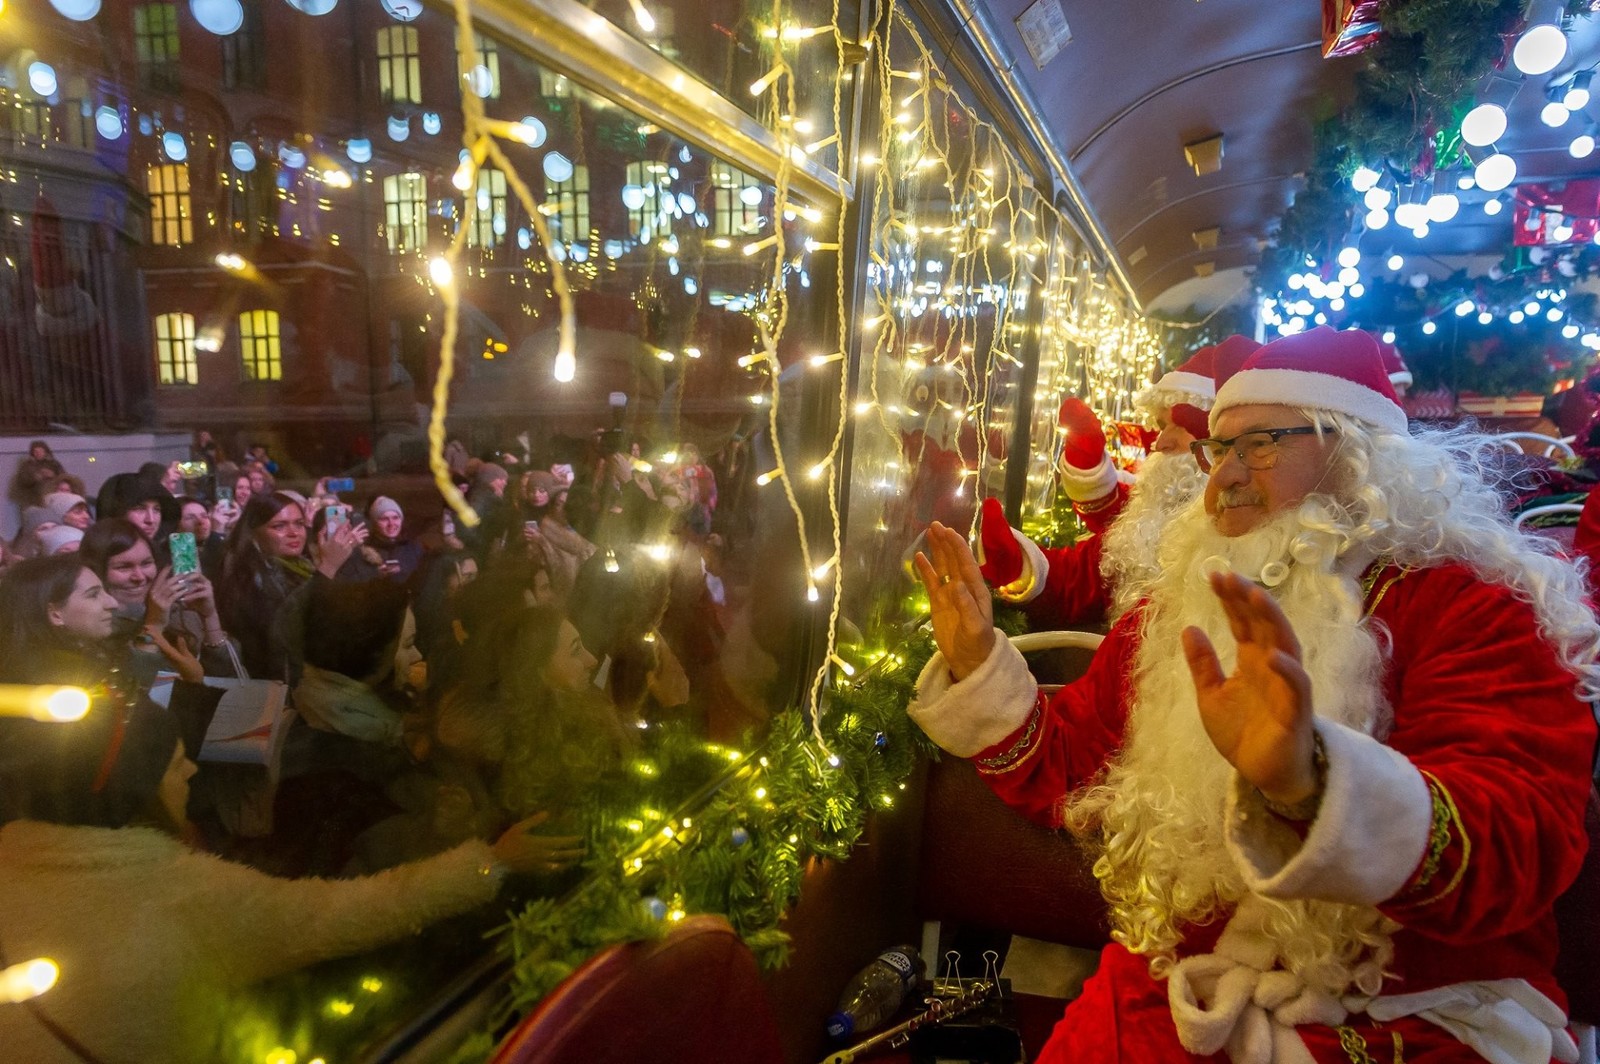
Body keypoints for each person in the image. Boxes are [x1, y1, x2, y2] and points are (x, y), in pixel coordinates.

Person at [908, 327, 1599, 1062]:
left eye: (1260, 443)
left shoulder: (1473, 608)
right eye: (1217, 448)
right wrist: (984, 663)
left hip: (1411, 1013)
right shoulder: (1181, 607)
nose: (1222, 479)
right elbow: (1078, 765)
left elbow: (1521, 843)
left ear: (1358, 452)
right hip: (1184, 992)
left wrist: (1311, 787)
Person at [0, 697, 578, 1063]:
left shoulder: (18, 856)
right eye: (176, 764)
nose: (192, 770)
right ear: (133, 791)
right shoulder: (176, 894)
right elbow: (343, 914)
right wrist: (491, 862)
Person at [977, 336, 1258, 627]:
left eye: (1182, 427)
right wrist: (1019, 567)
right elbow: (1081, 578)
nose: (1160, 443)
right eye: (1162, 426)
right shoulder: (1149, 524)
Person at [366, 496, 424, 584]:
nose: (391, 524)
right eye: (384, 519)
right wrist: (375, 575)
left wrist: (402, 571)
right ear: (374, 523)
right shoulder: (362, 551)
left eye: (395, 518)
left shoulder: (414, 549)